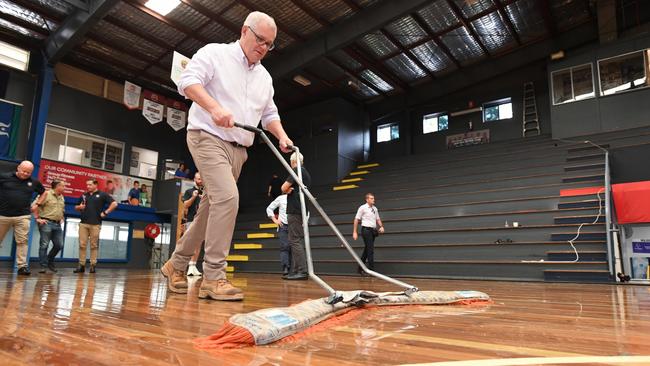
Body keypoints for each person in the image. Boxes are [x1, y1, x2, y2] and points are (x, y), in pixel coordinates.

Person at [161, 11, 293, 301]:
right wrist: (214, 107)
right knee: (228, 199)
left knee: (211, 209)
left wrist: (281, 135)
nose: (263, 48)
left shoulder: (264, 78)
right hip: (207, 137)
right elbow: (188, 81)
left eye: (269, 45)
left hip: (239, 150)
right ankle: (213, 278)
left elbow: (269, 114)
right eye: (260, 40)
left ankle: (176, 264)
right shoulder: (215, 54)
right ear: (244, 31)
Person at [0, 161, 46, 275]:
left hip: (22, 216)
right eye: (24, 171)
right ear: (18, 168)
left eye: (28, 172)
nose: (25, 174)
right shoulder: (4, 177)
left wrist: (37, 204)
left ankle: (22, 267)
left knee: (22, 241)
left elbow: (44, 192)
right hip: (3, 215)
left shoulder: (33, 182)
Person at [74, 179, 118, 274]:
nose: (88, 186)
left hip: (96, 224)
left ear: (95, 185)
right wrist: (79, 207)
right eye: (87, 185)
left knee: (94, 245)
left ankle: (93, 265)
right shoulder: (84, 195)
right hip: (83, 223)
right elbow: (76, 207)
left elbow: (114, 204)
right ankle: (81, 265)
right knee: (82, 245)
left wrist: (106, 212)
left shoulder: (102, 194)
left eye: (90, 185)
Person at [281, 152, 311, 280]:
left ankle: (302, 271)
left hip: (295, 210)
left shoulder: (296, 171)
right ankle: (297, 270)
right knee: (295, 240)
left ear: (293, 161)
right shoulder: (305, 173)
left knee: (295, 240)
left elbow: (283, 188)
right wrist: (288, 190)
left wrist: (286, 189)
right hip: (300, 210)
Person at [33, 180, 66, 273]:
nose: (64, 188)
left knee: (59, 245)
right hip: (46, 223)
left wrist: (62, 217)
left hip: (57, 224)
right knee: (44, 245)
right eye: (63, 186)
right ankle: (43, 266)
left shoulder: (62, 197)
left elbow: (62, 209)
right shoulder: (46, 194)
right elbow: (35, 206)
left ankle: (49, 260)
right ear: (57, 186)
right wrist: (37, 218)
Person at [352, 193, 384, 274]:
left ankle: (360, 268)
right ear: (367, 199)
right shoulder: (362, 208)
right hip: (366, 230)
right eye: (372, 198)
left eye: (373, 198)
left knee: (367, 250)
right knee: (370, 250)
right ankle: (371, 271)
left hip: (372, 231)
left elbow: (378, 219)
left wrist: (381, 226)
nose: (374, 200)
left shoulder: (375, 209)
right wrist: (355, 232)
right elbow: (356, 219)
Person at [182, 172, 204, 276]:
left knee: (198, 244)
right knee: (190, 243)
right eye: (198, 179)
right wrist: (194, 197)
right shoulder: (189, 191)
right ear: (194, 179)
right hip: (191, 220)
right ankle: (186, 266)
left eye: (201, 179)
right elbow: (185, 205)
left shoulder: (206, 192)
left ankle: (193, 265)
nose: (200, 181)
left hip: (202, 220)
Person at [266, 193, 290, 275]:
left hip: (294, 226)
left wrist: (303, 223)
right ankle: (285, 268)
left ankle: (295, 268)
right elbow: (269, 208)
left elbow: (306, 212)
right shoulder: (281, 198)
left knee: (295, 247)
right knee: (284, 247)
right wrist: (274, 220)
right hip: (283, 226)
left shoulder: (298, 198)